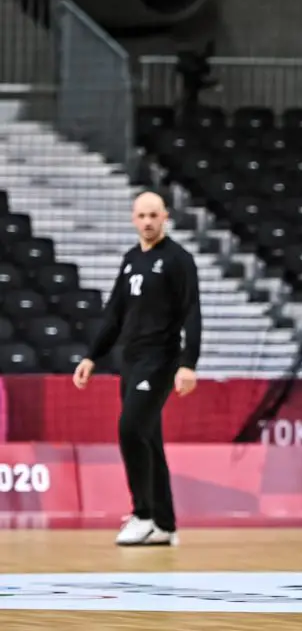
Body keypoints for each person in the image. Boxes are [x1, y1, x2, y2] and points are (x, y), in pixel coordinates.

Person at [73, 191, 202, 547]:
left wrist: (188, 363)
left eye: (153, 215)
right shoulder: (131, 259)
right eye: (141, 216)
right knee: (149, 438)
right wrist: (92, 356)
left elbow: (192, 311)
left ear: (165, 217)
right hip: (129, 360)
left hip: (159, 360)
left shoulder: (178, 259)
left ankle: (142, 514)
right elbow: (114, 313)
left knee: (130, 429)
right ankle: (164, 524)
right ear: (133, 219)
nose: (147, 222)